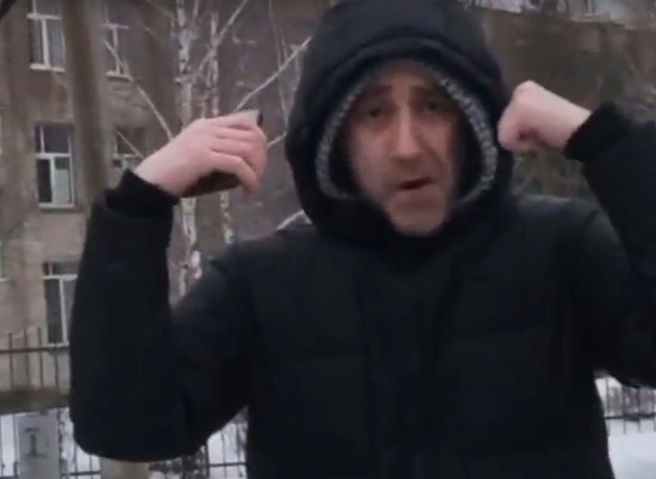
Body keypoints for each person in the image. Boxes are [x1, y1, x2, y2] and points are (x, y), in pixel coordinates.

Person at [69, 0, 656, 477]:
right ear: (335, 140)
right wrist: (138, 206)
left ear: (474, 124)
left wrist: (607, 144)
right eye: (374, 113)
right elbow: (128, 425)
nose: (407, 146)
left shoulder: (557, 249)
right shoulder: (262, 284)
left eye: (433, 106)